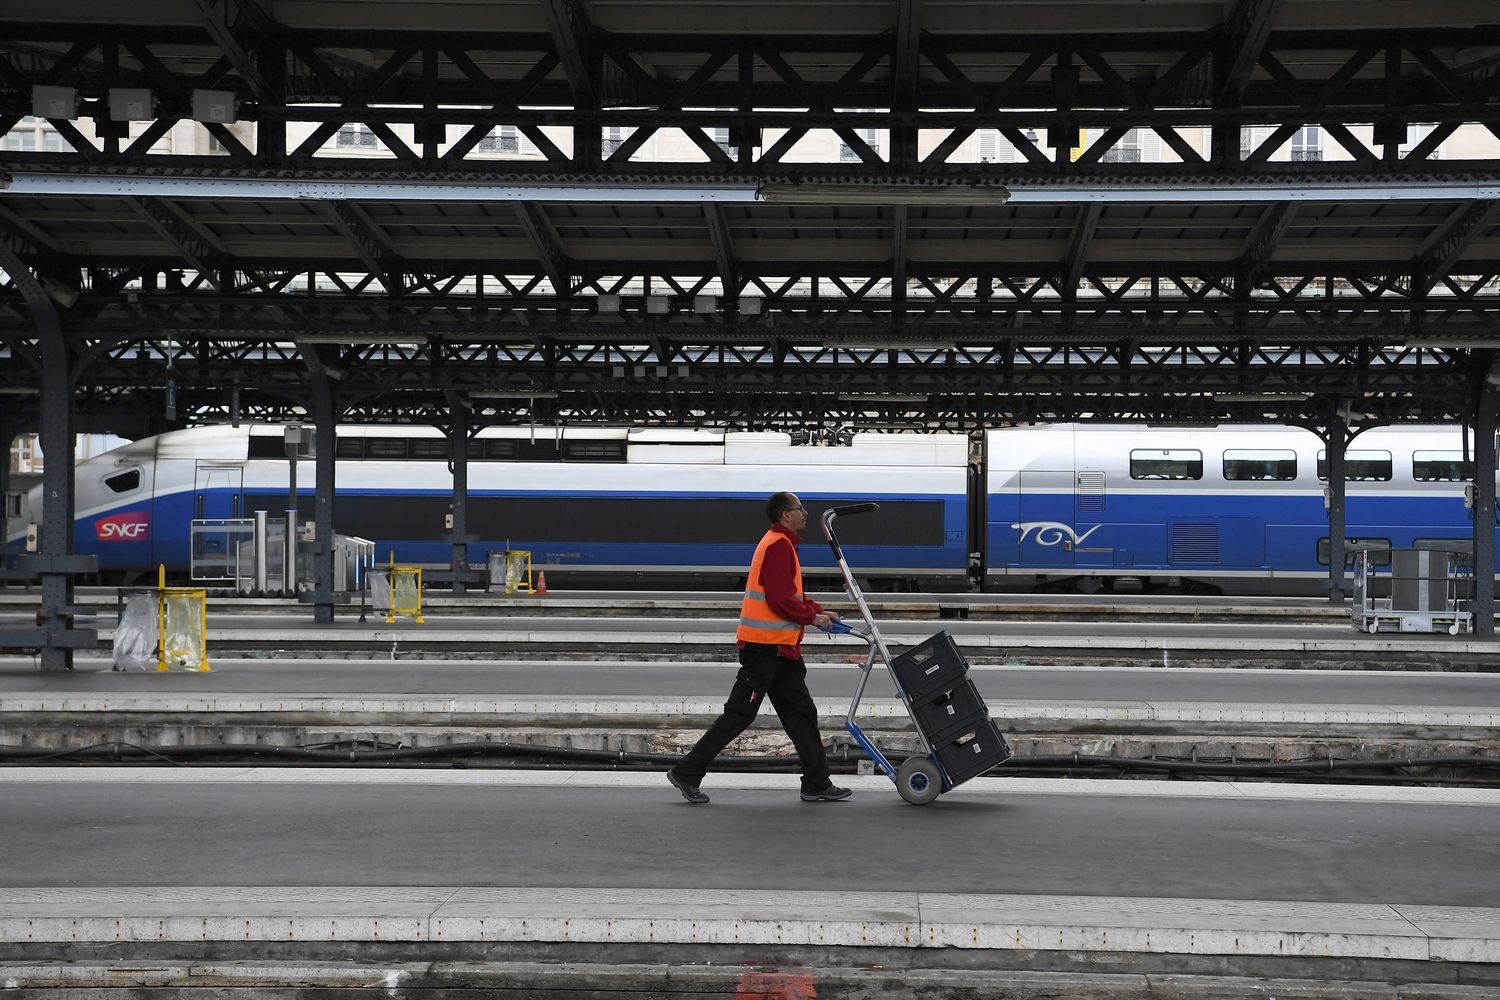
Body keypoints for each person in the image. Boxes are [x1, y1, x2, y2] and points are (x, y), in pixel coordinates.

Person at [667, 492, 853, 804]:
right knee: (740, 714)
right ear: (785, 515)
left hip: (780, 651)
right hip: (764, 651)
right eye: (799, 509)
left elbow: (791, 596)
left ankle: (816, 783)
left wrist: (819, 610)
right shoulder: (778, 545)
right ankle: (687, 772)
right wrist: (813, 618)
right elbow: (778, 600)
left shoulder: (782, 544)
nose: (805, 513)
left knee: (802, 715)